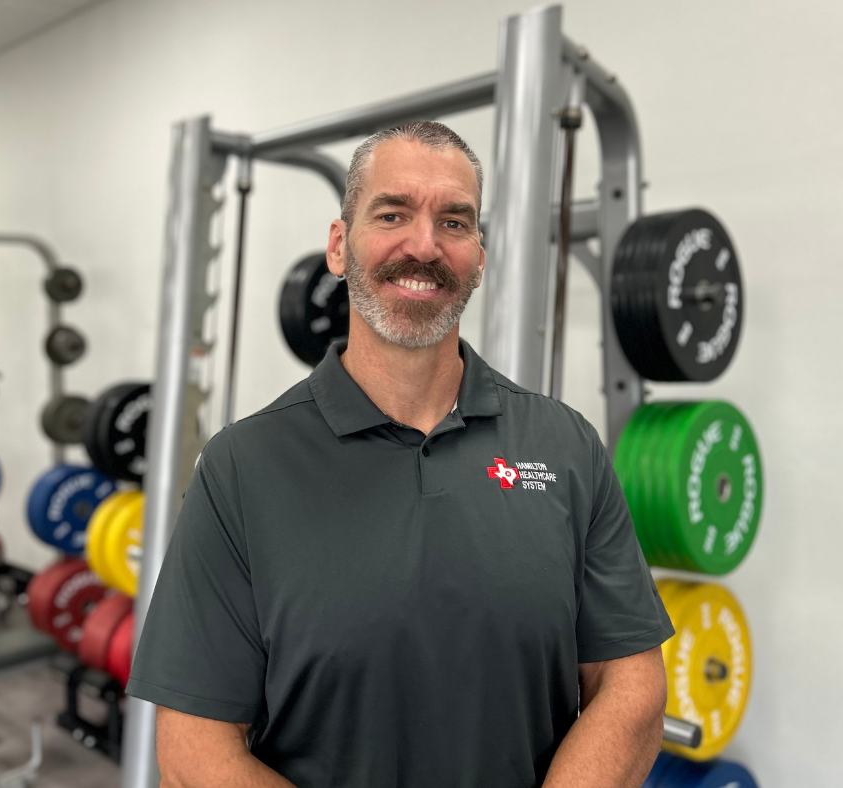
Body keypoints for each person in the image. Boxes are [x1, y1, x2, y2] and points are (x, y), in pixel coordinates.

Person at [127, 120, 673, 788]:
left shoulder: (566, 446)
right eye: (393, 214)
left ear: (479, 256)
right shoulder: (241, 467)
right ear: (339, 246)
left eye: (454, 222)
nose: (424, 245)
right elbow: (193, 747)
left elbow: (630, 683)